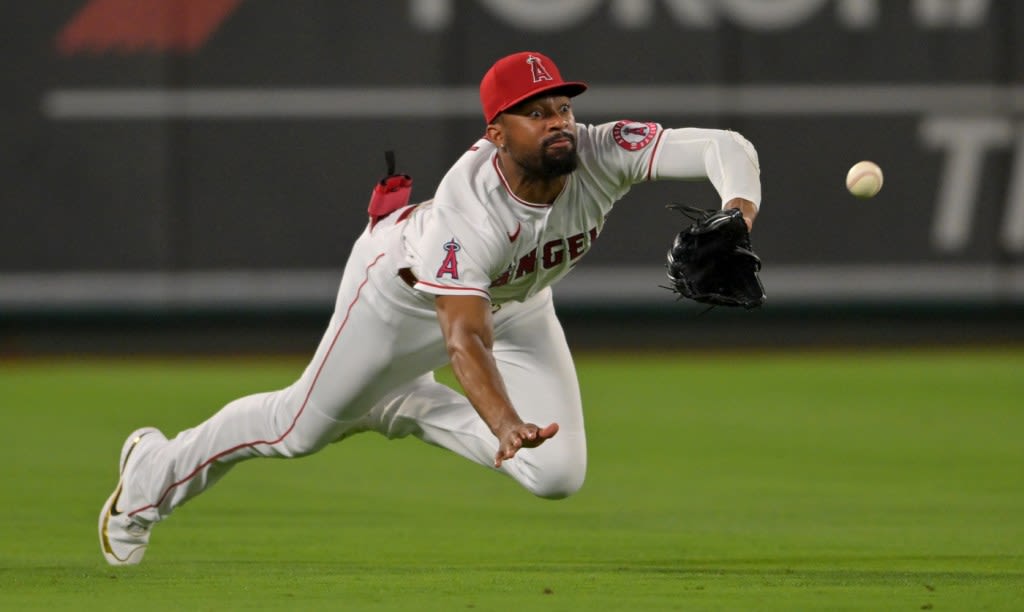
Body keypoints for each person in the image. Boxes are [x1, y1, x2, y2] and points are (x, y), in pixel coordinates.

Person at [99, 50, 762, 565]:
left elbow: (724, 147)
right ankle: (151, 473)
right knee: (295, 429)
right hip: (401, 298)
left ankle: (398, 404)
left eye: (561, 105)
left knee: (557, 473)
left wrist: (737, 214)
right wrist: (501, 421)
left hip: (519, 302)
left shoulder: (599, 150)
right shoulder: (466, 210)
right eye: (537, 112)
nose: (559, 121)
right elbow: (463, 341)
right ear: (497, 134)